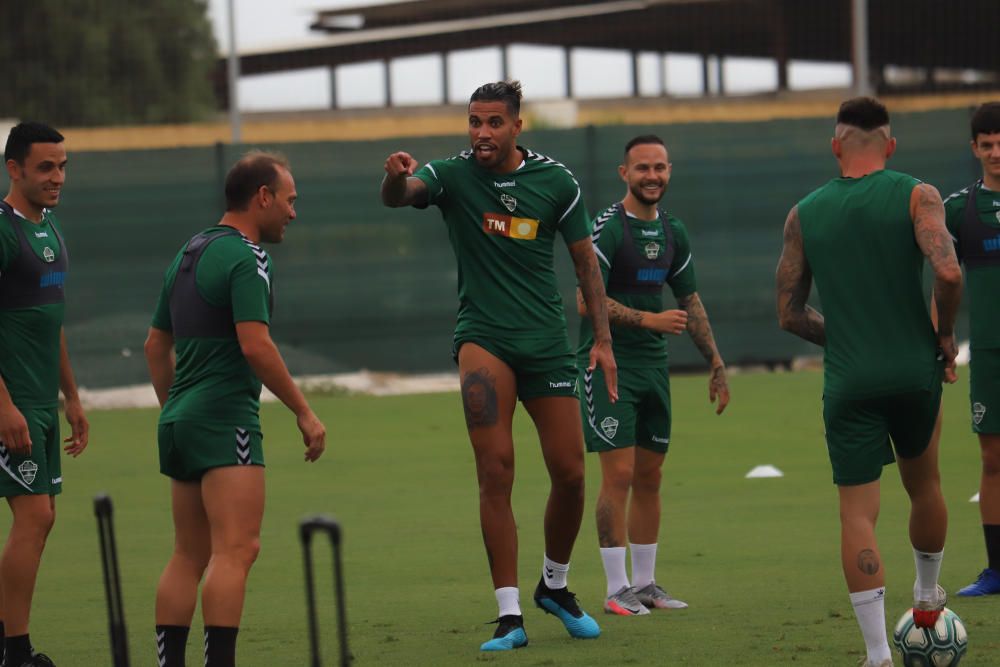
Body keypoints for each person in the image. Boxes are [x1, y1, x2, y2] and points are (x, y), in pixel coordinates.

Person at [381, 80, 617, 651]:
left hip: (545, 344)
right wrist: (394, 177)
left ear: (517, 126)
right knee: (496, 471)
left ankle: (554, 586)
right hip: (483, 340)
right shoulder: (450, 175)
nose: (481, 133)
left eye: (492, 123)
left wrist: (603, 340)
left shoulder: (556, 182)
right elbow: (402, 194)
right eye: (473, 122)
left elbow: (586, 262)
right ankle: (509, 615)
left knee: (571, 472)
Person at [776, 97, 962, 667]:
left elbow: (789, 313)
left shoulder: (803, 213)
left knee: (857, 514)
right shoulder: (917, 194)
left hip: (850, 381)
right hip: (914, 372)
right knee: (924, 484)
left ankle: (879, 654)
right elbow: (949, 271)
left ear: (835, 146)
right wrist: (944, 336)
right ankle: (927, 596)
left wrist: (849, 338)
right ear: (891, 144)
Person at [144, 152, 326, 667]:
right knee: (237, 550)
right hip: (225, 419)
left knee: (187, 554)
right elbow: (256, 345)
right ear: (262, 197)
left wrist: (176, 407)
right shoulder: (248, 257)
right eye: (289, 201)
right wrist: (304, 412)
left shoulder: (189, 251)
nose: (293, 212)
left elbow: (155, 347)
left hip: (180, 421)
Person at [575, 135, 729, 616]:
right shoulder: (607, 228)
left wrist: (716, 362)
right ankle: (615, 588)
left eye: (660, 167)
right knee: (617, 475)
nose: (652, 176)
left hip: (653, 370)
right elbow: (584, 300)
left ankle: (645, 585)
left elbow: (691, 301)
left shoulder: (673, 232)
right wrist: (649, 321)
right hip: (609, 367)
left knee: (650, 476)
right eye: (642, 168)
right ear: (625, 173)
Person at [0, 122, 88, 667]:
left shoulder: (50, 226)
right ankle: (16, 651)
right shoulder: (3, 229)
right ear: (14, 170)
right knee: (35, 518)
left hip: (43, 403)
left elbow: (49, 319)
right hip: (13, 404)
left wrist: (72, 398)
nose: (58, 178)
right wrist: (4, 405)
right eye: (45, 168)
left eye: (62, 167)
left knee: (42, 517)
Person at [943, 102, 1000, 596]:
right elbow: (943, 277)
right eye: (988, 144)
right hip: (989, 356)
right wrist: (941, 337)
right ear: (975, 149)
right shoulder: (957, 209)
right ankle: (997, 570)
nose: (996, 152)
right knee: (994, 460)